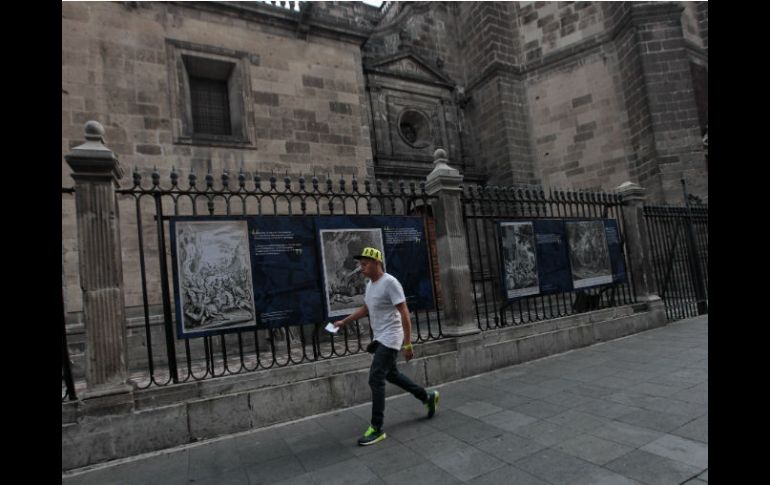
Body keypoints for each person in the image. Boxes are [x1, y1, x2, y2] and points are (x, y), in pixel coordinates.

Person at [334, 246, 439, 446]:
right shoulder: (370, 285)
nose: (361, 268)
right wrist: (344, 322)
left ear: (376, 263)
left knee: (375, 378)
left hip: (391, 337)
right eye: (360, 264)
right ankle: (427, 396)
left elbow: (405, 313)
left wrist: (408, 344)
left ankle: (377, 428)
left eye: (364, 264)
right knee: (391, 374)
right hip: (381, 337)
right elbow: (366, 308)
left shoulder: (390, 283)